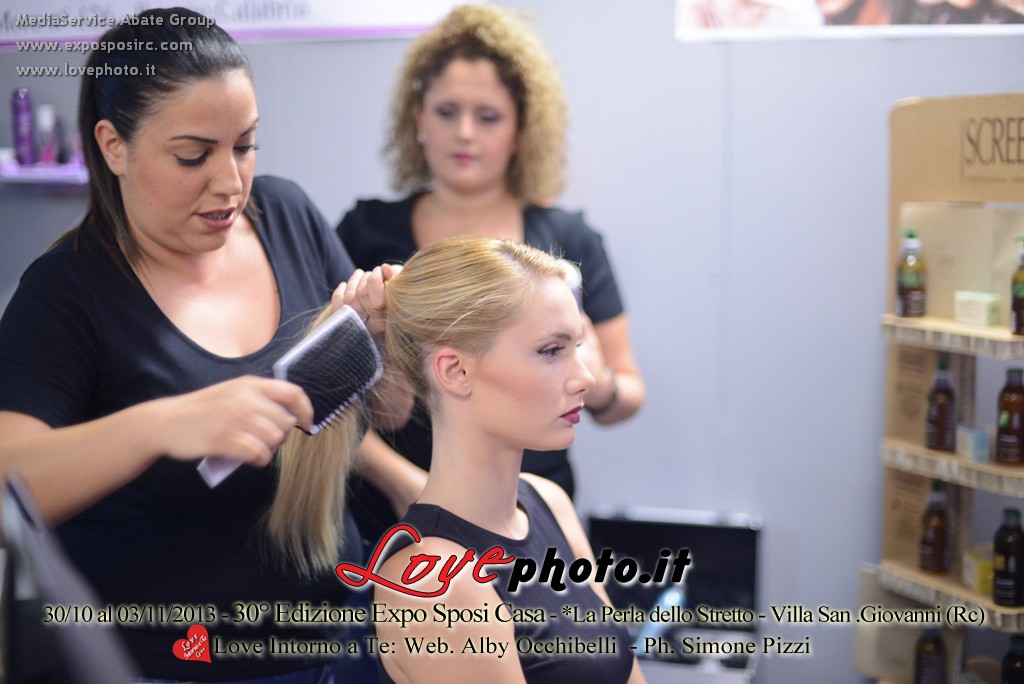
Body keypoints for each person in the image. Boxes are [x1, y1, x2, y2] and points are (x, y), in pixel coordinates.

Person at [0, 8, 406, 682]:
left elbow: (376, 413)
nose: (229, 183)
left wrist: (374, 348)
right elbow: (9, 482)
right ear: (113, 146)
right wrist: (160, 425)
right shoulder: (66, 294)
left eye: (245, 146)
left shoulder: (287, 215)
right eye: (193, 155)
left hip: (337, 637)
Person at [338, 3, 646, 542]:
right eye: (446, 111)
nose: (464, 133)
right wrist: (406, 483)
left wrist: (594, 381)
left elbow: (627, 391)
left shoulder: (567, 241)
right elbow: (329, 398)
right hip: (396, 516)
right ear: (418, 119)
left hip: (533, 511)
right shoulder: (367, 234)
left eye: (488, 117)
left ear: (521, 128)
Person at [296, 236, 646, 683]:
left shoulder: (548, 503)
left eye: (577, 347)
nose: (585, 378)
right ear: (455, 371)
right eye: (551, 350)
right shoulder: (432, 584)